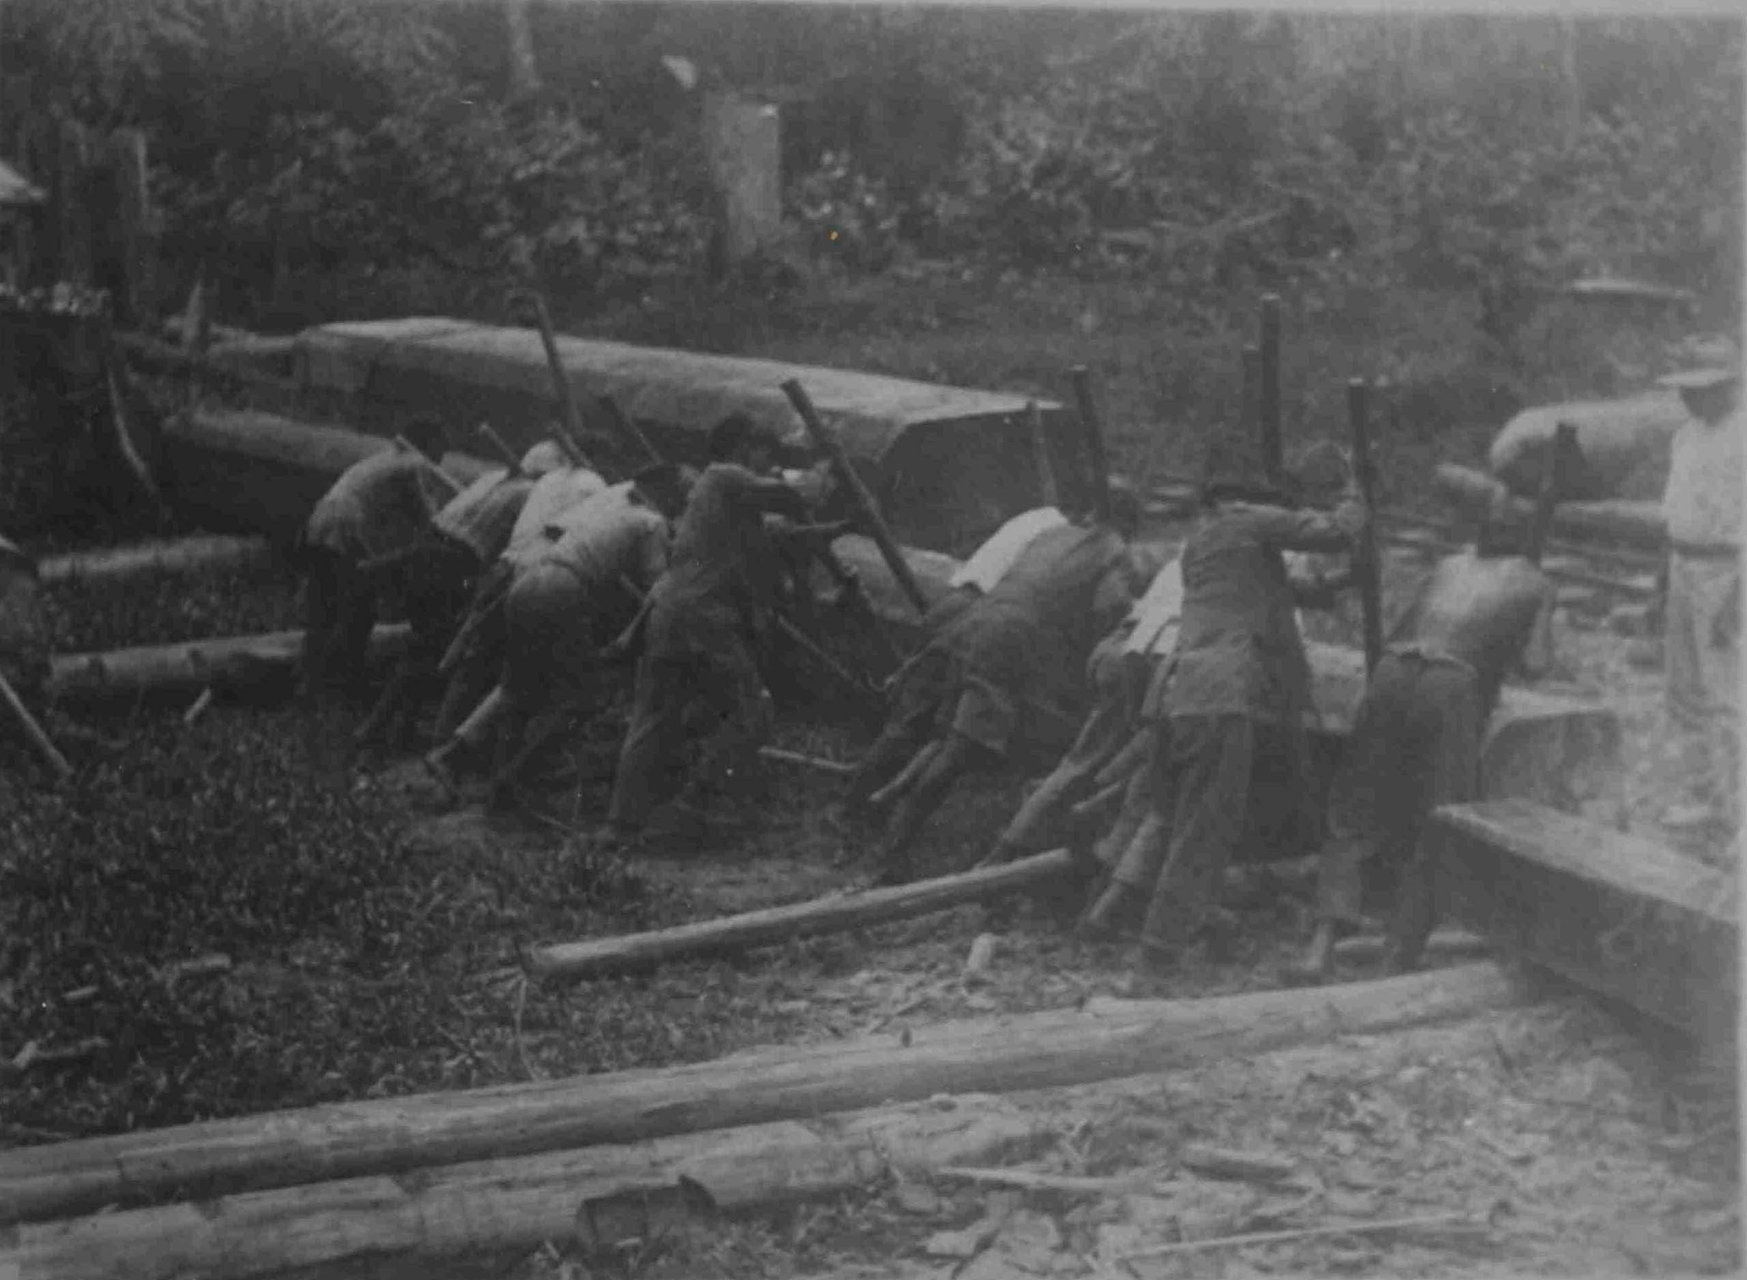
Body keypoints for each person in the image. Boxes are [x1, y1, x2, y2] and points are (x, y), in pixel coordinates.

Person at [1093, 439, 1366, 973]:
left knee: (1170, 815)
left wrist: (1341, 583)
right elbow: (1338, 531)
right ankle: (1160, 950)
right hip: (1219, 691)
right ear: (1244, 499)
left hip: (1174, 691)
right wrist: (1358, 491)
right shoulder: (1249, 520)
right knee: (1205, 827)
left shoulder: (1203, 541)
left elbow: (1282, 591)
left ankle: (1123, 915)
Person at [1286, 490, 1561, 985]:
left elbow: (1400, 628)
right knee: (1440, 819)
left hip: (1394, 671)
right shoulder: (1535, 581)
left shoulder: (1447, 566)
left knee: (1353, 808)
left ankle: (1321, 944)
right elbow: (1538, 665)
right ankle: (1400, 954)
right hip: (1452, 684)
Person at [845, 487, 1148, 885]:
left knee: (939, 735)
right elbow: (1107, 607)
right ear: (1129, 524)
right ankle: (887, 856)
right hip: (1012, 637)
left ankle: (874, 814)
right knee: (958, 751)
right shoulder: (1114, 549)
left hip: (978, 617)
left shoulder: (1053, 534)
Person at [598, 415, 812, 844]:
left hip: (671, 611)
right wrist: (820, 476)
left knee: (652, 718)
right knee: (753, 713)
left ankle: (619, 825)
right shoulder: (725, 475)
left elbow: (777, 534)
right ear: (743, 448)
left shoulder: (717, 498)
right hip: (704, 616)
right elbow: (791, 495)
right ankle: (689, 805)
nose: (767, 460)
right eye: (763, 451)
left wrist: (834, 529)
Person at [423, 463, 689, 808]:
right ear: (664, 492)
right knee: (583, 699)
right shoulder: (650, 522)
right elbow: (656, 592)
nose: (682, 503)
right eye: (680, 495)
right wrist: (631, 634)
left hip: (529, 580)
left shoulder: (613, 511)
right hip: (563, 588)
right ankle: (513, 777)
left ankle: (449, 755)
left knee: (515, 686)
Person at [354, 439, 569, 750]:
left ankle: (393, 727)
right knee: (430, 651)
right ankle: (378, 728)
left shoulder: (493, 477)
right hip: (451, 562)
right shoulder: (529, 494)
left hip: (430, 544)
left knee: (425, 644)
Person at [977, 549, 1182, 869]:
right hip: (1143, 659)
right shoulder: (1234, 576)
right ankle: (1002, 855)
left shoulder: (1183, 559)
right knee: (1088, 764)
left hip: (1116, 645)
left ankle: (1067, 822)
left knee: (1105, 759)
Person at [429, 442, 607, 743]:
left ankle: (442, 735)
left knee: (475, 654)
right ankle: (463, 747)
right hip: (536, 573)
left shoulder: (550, 479)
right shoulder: (595, 486)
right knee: (516, 668)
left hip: (506, 564)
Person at [297, 416, 453, 708]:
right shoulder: (414, 464)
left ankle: (310, 682)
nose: (440, 461)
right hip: (344, 526)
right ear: (429, 445)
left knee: (322, 606)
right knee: (359, 609)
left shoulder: (381, 460)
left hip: (320, 518)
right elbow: (427, 517)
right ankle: (343, 686)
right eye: (441, 452)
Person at [1656, 359, 1742, 838]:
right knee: (1683, 691)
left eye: (1698, 389)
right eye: (1684, 389)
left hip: (1725, 570)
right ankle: (1705, 797)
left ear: (1726, 387)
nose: (1687, 398)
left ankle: (1737, 810)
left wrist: (1738, 596)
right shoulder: (1685, 436)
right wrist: (1660, 588)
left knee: (1726, 695)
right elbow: (1672, 514)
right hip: (1682, 565)